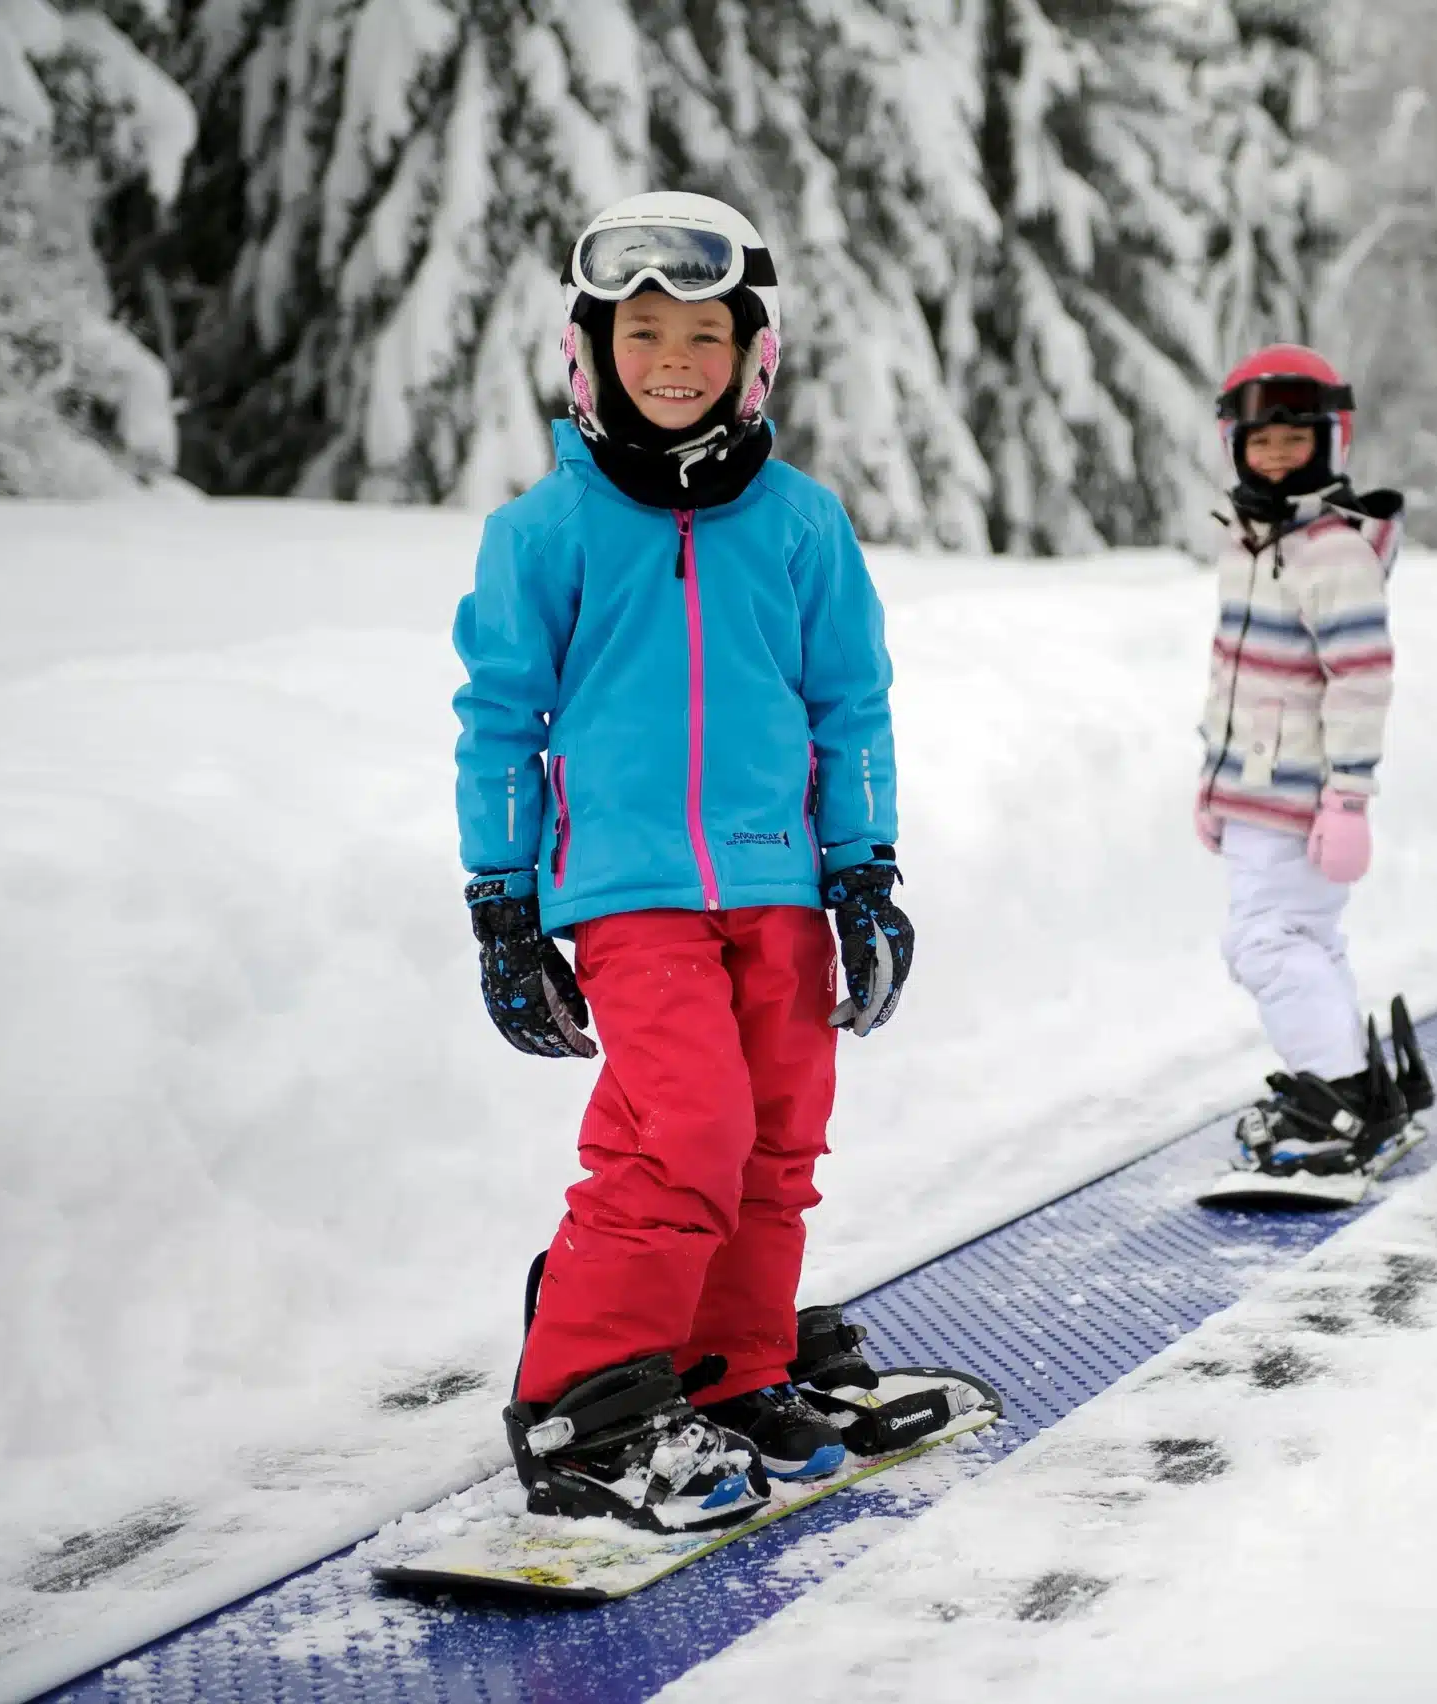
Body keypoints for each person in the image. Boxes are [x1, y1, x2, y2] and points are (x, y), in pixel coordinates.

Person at [451, 191, 914, 1533]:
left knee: (775, 1140)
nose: (673, 360)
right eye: (642, 332)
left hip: (780, 887)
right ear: (589, 353)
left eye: (705, 335)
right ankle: (584, 1399)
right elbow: (500, 724)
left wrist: (864, 874)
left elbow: (851, 706)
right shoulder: (544, 532)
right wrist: (502, 904)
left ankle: (727, 1369)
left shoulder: (802, 524)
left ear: (752, 358)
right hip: (629, 893)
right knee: (685, 1133)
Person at [1194, 344, 1426, 1177]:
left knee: (1264, 942)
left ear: (1331, 442)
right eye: (1262, 442)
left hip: (1302, 802)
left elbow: (1360, 679)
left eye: (1296, 441)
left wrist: (1349, 800)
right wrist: (1213, 786)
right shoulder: (1252, 543)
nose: (1278, 457)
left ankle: (1337, 1100)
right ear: (1236, 447)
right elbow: (1234, 678)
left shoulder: (1332, 552)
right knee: (1305, 940)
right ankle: (1353, 1085)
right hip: (1256, 791)